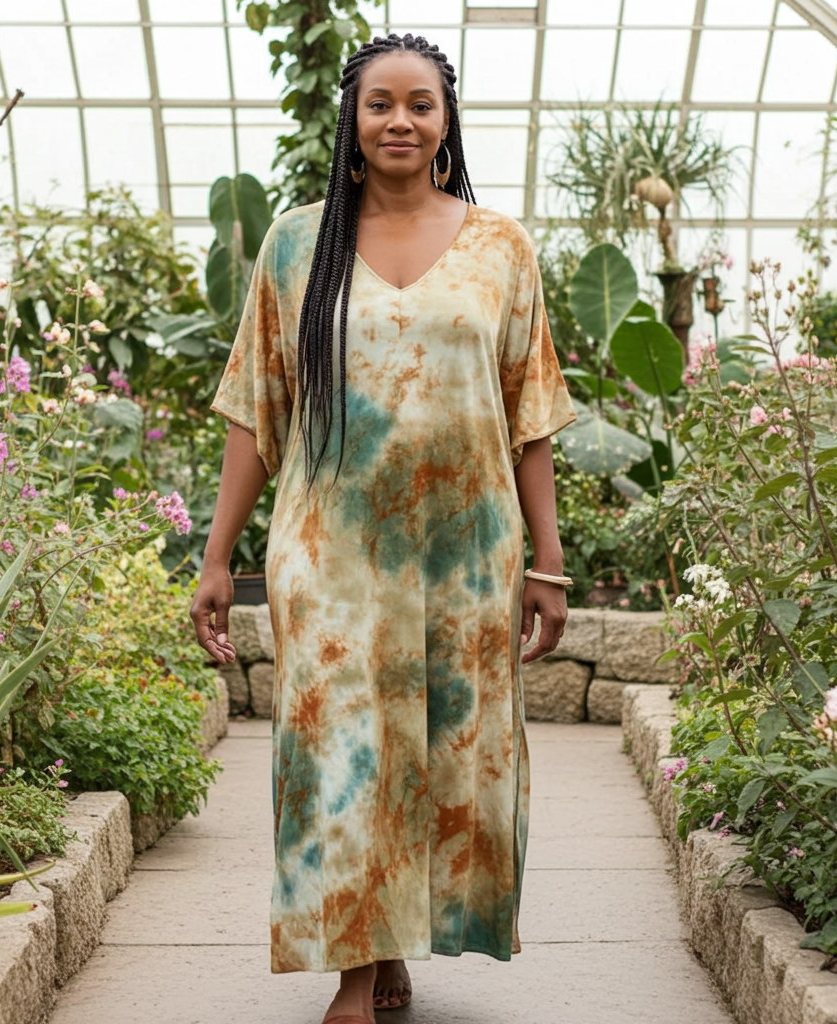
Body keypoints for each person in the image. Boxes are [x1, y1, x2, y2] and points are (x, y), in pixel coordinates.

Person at [190, 32, 575, 1024]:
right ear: (351, 125)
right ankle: (356, 975)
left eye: (420, 104)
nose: (399, 120)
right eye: (380, 105)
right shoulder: (295, 242)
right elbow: (254, 407)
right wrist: (217, 553)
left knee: (445, 752)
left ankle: (394, 943)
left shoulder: (500, 247)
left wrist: (549, 560)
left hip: (465, 548)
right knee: (347, 749)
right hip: (332, 549)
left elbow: (529, 415)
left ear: (446, 122)